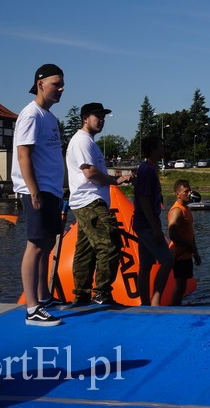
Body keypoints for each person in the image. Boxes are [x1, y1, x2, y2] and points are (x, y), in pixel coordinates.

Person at [11, 63, 66, 326]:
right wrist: (33, 190)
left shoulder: (50, 117)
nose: (61, 89)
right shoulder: (30, 115)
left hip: (51, 189)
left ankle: (43, 297)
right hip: (37, 189)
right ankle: (31, 308)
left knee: (47, 243)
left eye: (62, 84)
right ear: (40, 83)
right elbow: (23, 154)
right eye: (57, 84)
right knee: (35, 244)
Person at [65, 102, 134, 307]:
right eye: (97, 116)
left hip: (85, 202)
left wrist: (119, 177)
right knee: (111, 246)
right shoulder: (82, 141)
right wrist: (114, 181)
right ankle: (102, 294)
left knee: (85, 251)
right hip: (90, 201)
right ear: (85, 118)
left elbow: (95, 172)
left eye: (103, 116)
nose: (101, 120)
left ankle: (81, 296)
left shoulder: (88, 142)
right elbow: (91, 174)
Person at [133, 136, 174, 306]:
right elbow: (143, 200)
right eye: (160, 145)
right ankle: (155, 300)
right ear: (154, 149)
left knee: (146, 265)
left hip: (143, 223)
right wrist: (156, 228)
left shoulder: (149, 168)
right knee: (168, 260)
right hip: (147, 224)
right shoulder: (147, 170)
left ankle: (144, 303)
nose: (163, 148)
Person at [167, 179, 201, 306]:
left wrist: (195, 252)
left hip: (187, 253)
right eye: (186, 191)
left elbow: (190, 233)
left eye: (189, 190)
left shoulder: (186, 209)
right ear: (178, 194)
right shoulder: (177, 210)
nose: (189, 193)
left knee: (183, 286)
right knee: (180, 286)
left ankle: (177, 307)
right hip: (179, 254)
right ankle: (174, 311)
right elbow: (172, 233)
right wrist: (188, 245)